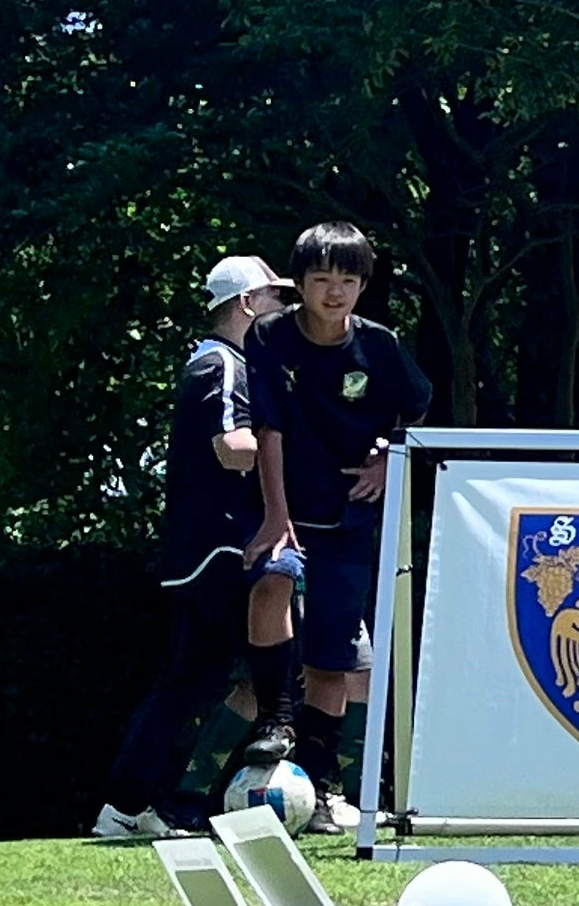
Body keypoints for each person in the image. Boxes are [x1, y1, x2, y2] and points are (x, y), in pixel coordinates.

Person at [91, 252, 295, 843]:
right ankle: (151, 801)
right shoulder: (222, 364)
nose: (286, 310)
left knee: (197, 680)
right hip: (220, 551)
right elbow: (232, 448)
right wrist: (296, 451)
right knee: (252, 673)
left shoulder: (223, 362)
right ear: (247, 304)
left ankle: (139, 804)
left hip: (208, 551)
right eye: (276, 298)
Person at [247, 223, 435, 833]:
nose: (334, 292)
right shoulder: (270, 335)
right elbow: (269, 426)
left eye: (348, 280)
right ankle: (273, 720)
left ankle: (317, 790)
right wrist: (276, 515)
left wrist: (384, 459)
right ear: (299, 283)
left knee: (334, 662)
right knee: (271, 582)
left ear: (362, 286)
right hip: (280, 510)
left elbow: (417, 409)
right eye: (322, 278)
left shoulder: (380, 346)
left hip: (349, 520)